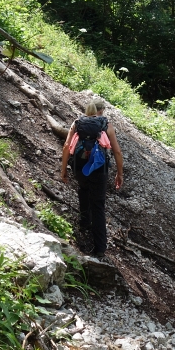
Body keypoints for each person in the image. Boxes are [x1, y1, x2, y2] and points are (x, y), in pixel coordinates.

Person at [60, 97, 123, 257]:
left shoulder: (77, 123)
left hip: (80, 167)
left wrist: (63, 169)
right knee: (98, 205)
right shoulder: (106, 125)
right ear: (100, 112)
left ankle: (84, 223)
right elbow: (117, 151)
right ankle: (100, 248)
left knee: (83, 190)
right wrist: (119, 173)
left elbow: (67, 146)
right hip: (99, 169)